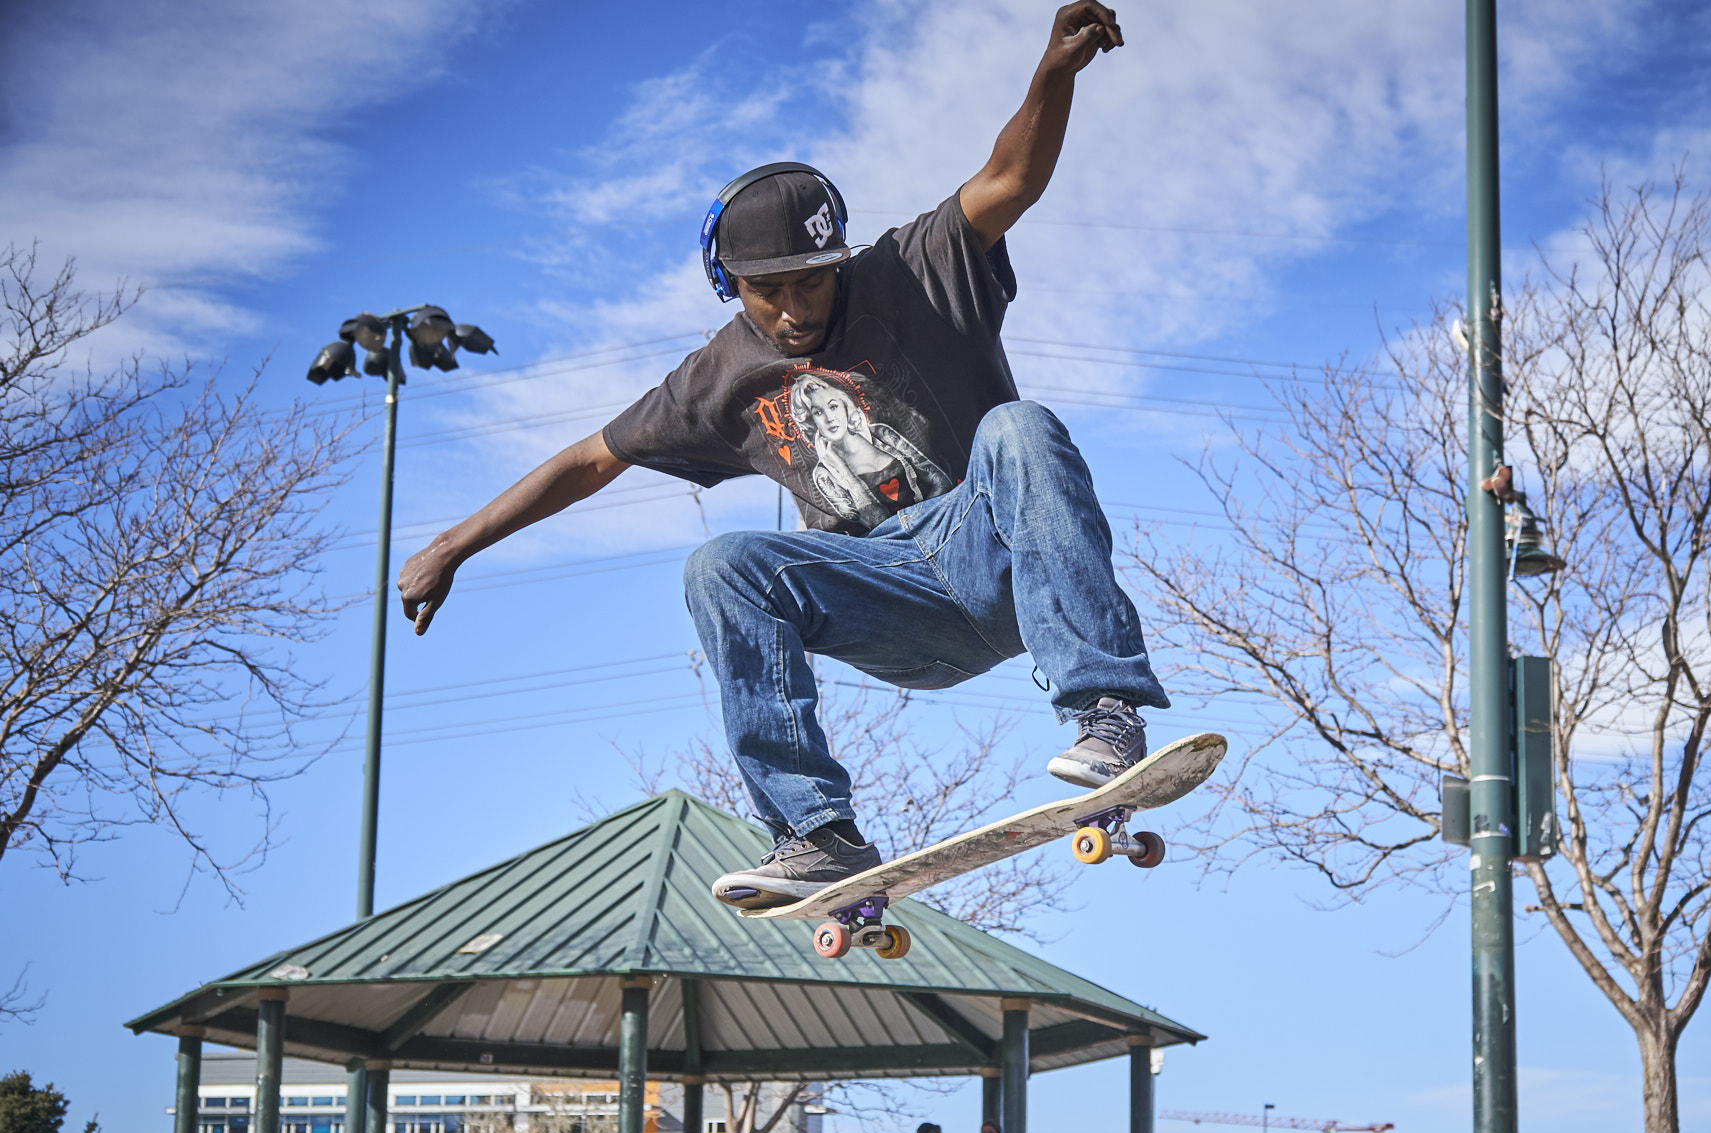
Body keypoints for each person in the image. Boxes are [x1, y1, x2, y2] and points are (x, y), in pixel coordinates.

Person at [396, 3, 1166, 907]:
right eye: (770, 293)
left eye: (813, 280)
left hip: (990, 554)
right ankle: (814, 831)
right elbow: (592, 459)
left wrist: (1053, 75)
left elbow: (1010, 179)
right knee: (723, 564)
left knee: (1017, 427)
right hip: (887, 597)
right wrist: (455, 544)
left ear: (839, 258)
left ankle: (1106, 710)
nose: (797, 308)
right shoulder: (716, 377)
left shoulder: (911, 269)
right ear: (732, 286)